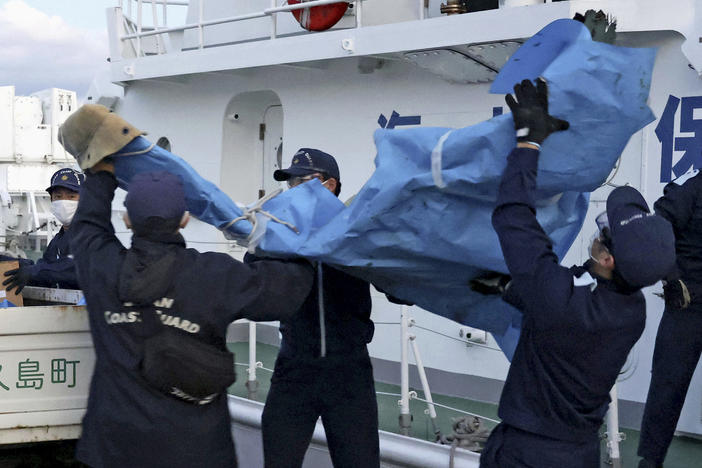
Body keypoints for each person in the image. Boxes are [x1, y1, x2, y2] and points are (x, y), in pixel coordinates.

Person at [476, 78, 676, 468]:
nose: (600, 231)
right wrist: (509, 286)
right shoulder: (631, 311)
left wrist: (528, 142)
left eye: (605, 231)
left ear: (608, 260)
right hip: (579, 453)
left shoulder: (558, 297)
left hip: (526, 454)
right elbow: (560, 293)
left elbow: (513, 215)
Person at [69, 160, 314, 468]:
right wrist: (287, 238)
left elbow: (87, 225)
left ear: (128, 219)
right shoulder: (215, 274)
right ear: (185, 219)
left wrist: (101, 173)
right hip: (199, 452)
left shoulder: (102, 267)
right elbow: (286, 291)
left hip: (114, 450)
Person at [246, 148, 380, 468]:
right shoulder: (280, 235)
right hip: (294, 367)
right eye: (292, 184)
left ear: (330, 185)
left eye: (304, 182)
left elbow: (400, 285)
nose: (295, 190)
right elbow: (252, 285)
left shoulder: (357, 233)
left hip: (349, 373)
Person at [637, 169, 702, 468]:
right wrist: (670, 279)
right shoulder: (691, 189)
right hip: (688, 304)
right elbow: (658, 228)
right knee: (667, 387)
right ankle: (650, 462)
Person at [2, 168, 85, 293]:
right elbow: (45, 271)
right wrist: (9, 263)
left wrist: (33, 272)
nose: (63, 202)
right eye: (58, 196)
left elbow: (73, 268)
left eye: (71, 196)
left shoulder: (93, 234)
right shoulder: (58, 240)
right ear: (51, 200)